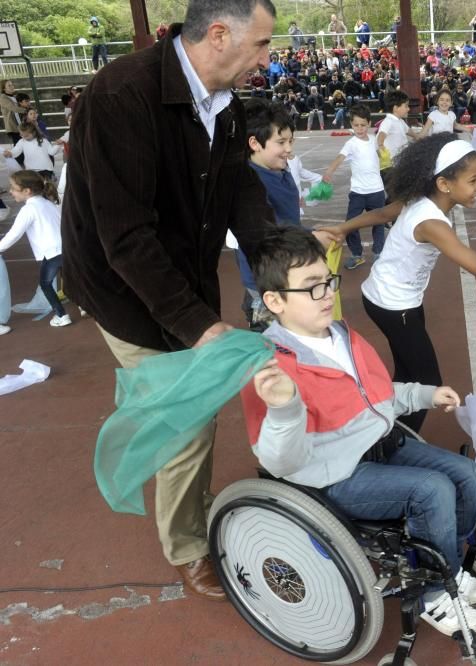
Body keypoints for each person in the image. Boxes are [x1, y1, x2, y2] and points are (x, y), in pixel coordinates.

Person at [60, 0, 294, 602]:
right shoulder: (121, 98)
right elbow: (126, 239)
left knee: (196, 409)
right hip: (124, 289)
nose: (268, 59)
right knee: (188, 420)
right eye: (262, 45)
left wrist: (283, 258)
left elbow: (241, 187)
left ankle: (191, 502)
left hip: (183, 273)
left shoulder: (226, 104)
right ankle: (189, 547)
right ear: (219, 34)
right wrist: (199, 326)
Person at [241, 225, 476, 636]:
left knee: (469, 474)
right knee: (432, 489)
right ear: (275, 301)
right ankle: (432, 594)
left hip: (380, 444)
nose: (326, 295)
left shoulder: (340, 334)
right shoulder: (270, 367)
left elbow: (375, 392)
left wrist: (425, 396)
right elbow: (277, 460)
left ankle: (448, 565)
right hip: (334, 474)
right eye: (311, 288)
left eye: (327, 282)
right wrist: (285, 409)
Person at [318, 135, 476, 432]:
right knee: (427, 381)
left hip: (393, 299)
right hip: (392, 305)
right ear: (444, 184)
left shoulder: (420, 199)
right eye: (473, 180)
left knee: (408, 372)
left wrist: (342, 227)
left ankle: (388, 427)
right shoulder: (431, 223)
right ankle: (396, 444)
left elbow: (382, 213)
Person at [233, 99, 300, 331]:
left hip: (282, 268)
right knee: (271, 342)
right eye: (281, 142)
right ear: (255, 143)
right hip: (264, 279)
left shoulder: (278, 169)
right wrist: (311, 239)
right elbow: (267, 233)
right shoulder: (251, 184)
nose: (289, 149)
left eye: (291, 141)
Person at [0, 171, 71, 327]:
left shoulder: (28, 209)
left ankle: (62, 315)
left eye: (13, 188)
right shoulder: (48, 203)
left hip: (51, 254)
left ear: (27, 191)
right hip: (66, 249)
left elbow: (13, 234)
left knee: (46, 285)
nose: (10, 191)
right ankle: (90, 308)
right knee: (74, 282)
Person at [323, 104, 386, 270]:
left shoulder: (374, 140)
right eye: (356, 125)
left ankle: (378, 252)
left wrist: (383, 152)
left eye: (363, 125)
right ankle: (357, 254)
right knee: (350, 225)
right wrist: (330, 170)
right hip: (358, 193)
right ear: (351, 125)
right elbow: (340, 158)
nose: (360, 128)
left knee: (379, 224)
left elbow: (382, 157)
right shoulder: (351, 144)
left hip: (377, 191)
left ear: (369, 124)